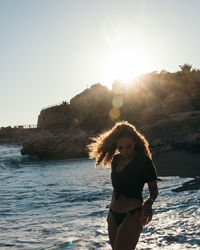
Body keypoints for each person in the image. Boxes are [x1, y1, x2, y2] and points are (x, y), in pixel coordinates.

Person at [87, 121, 158, 250]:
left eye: (128, 147)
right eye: (120, 148)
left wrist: (148, 205)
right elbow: (117, 188)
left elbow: (153, 190)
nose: (125, 151)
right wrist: (111, 211)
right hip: (113, 214)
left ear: (135, 142)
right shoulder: (116, 160)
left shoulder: (143, 161)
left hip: (132, 214)